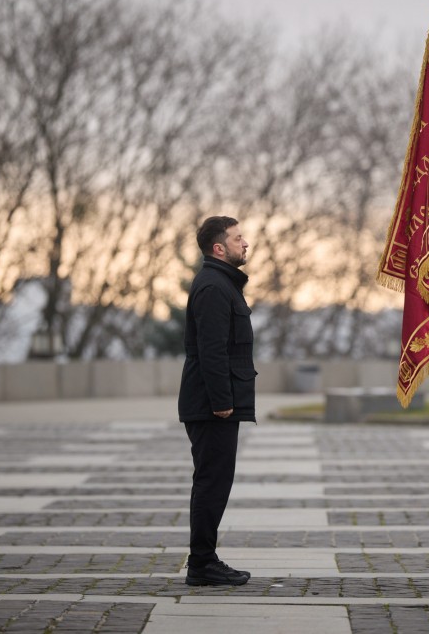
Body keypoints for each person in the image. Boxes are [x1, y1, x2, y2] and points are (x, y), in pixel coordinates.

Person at [178, 216, 257, 586]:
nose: (246, 243)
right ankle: (202, 563)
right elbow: (211, 351)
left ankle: (203, 560)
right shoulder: (213, 287)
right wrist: (222, 401)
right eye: (238, 238)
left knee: (215, 481)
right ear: (218, 248)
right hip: (213, 405)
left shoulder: (223, 284)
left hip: (218, 401)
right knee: (211, 482)